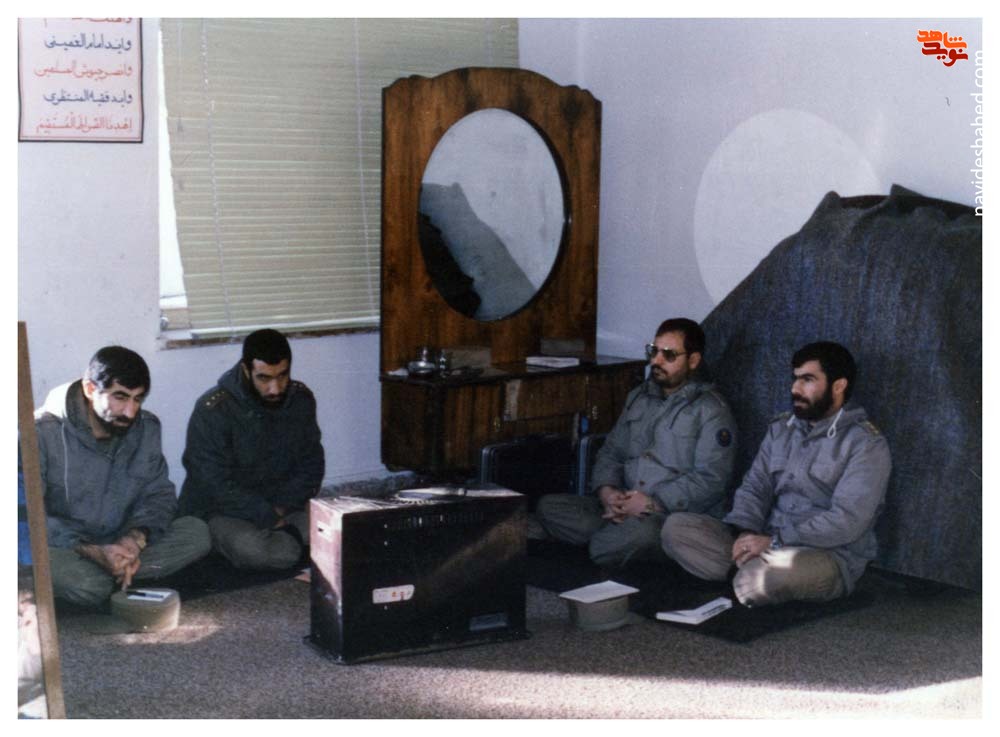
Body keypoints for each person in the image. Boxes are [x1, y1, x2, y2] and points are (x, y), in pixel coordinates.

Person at [661, 341, 892, 607]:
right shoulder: (782, 429)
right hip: (766, 540)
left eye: (807, 380)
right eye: (795, 378)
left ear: (838, 386)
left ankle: (742, 577)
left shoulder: (866, 444)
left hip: (825, 554)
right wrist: (745, 533)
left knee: (759, 579)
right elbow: (755, 487)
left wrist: (776, 541)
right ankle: (743, 575)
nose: (795, 389)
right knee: (675, 529)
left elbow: (846, 521)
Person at [534, 318, 737, 567]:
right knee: (548, 507)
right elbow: (612, 451)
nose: (656, 361)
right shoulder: (639, 397)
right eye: (653, 351)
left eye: (669, 355)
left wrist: (653, 503)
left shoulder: (712, 410)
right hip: (622, 505)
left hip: (667, 515)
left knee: (644, 535)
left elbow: (712, 479)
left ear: (693, 361)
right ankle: (610, 543)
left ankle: (596, 547)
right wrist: (608, 493)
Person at [35, 346, 211, 608]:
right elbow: (30, 518)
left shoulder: (146, 427)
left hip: (119, 538)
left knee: (197, 533)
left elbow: (159, 495)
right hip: (69, 547)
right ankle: (117, 578)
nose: (130, 412)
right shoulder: (40, 432)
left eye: (138, 399)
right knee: (81, 581)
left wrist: (134, 540)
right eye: (120, 397)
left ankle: (117, 572)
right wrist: (94, 552)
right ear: (90, 389)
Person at [179, 329, 324, 570]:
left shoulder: (301, 400)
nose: (275, 389)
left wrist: (282, 507)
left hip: (282, 505)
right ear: (246, 370)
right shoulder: (213, 409)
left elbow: (312, 463)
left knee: (337, 531)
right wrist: (265, 515)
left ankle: (288, 542)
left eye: (282, 375)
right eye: (264, 378)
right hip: (227, 511)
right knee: (256, 549)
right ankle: (288, 546)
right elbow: (212, 482)